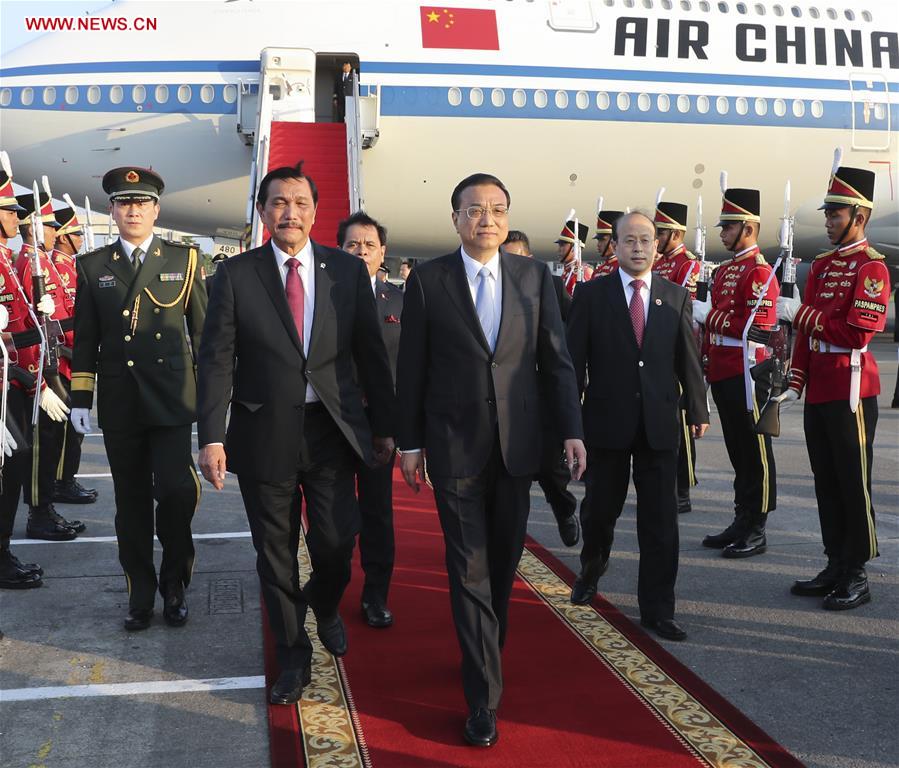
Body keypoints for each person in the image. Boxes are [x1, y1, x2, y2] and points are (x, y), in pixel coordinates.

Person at [397, 173, 586, 747]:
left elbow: (555, 363)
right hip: (454, 447)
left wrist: (571, 433)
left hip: (518, 447)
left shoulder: (534, 277)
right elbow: (412, 370)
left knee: (501, 569)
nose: (487, 219)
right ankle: (482, 700)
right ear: (455, 218)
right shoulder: (429, 280)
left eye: (497, 209)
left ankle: (485, 652)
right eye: (474, 209)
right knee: (468, 570)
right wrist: (409, 443)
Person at [196, 163, 395, 706]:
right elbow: (215, 360)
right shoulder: (236, 276)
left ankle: (325, 604)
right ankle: (292, 657)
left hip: (332, 431)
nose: (290, 212)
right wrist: (212, 435)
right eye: (279, 202)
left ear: (314, 211)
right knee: (275, 555)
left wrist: (386, 428)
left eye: (301, 202)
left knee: (336, 544)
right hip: (264, 432)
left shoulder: (346, 273)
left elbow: (371, 356)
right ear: (264, 213)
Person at [70, 166, 207, 631]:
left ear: (157, 210)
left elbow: (203, 335)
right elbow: (86, 338)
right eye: (124, 202)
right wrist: (80, 398)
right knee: (130, 504)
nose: (133, 210)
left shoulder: (185, 260)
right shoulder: (92, 266)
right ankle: (141, 593)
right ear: (112, 209)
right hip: (122, 401)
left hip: (171, 400)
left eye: (142, 202)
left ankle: (175, 581)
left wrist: (212, 401)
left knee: (175, 492)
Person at [566, 212, 708, 641]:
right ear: (615, 244)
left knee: (661, 522)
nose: (639, 247)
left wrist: (698, 411)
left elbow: (688, 358)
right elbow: (574, 364)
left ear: (657, 245)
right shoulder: (592, 296)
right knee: (599, 512)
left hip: (659, 426)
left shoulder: (674, 296)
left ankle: (658, 609)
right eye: (629, 240)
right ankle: (592, 567)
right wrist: (569, 421)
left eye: (646, 240)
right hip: (606, 424)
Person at [776, 166, 890, 610]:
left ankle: (857, 571)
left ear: (858, 215)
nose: (827, 220)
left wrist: (799, 313)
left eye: (835, 213)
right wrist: (796, 379)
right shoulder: (823, 265)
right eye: (828, 213)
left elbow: (858, 333)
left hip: (851, 391)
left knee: (851, 481)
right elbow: (808, 336)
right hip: (821, 388)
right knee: (825, 480)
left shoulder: (873, 268)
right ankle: (835, 562)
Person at [692, 186, 779, 558]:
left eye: (728, 226)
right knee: (737, 451)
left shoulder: (759, 272)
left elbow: (755, 327)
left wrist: (709, 317)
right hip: (726, 369)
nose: (722, 233)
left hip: (749, 372)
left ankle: (757, 525)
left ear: (747, 227)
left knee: (755, 450)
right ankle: (742, 517)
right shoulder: (728, 269)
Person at [337, 210, 402, 628]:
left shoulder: (400, 300)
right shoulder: (321, 295)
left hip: (381, 425)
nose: (361, 252)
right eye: (352, 245)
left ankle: (376, 594)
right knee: (335, 515)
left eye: (369, 246)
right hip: (334, 421)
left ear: (383, 253)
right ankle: (333, 588)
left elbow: (413, 366)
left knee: (378, 512)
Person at [501, 229, 579, 546]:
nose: (511, 263)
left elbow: (571, 333)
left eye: (517, 256)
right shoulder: (490, 289)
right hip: (506, 398)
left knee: (551, 470)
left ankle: (564, 511)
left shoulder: (551, 284)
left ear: (529, 258)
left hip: (543, 397)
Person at [15, 193, 85, 539]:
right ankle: (39, 512)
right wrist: (42, 377)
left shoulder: (41, 261)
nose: (55, 233)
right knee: (42, 444)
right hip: (42, 367)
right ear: (34, 227)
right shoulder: (30, 263)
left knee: (56, 437)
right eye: (50, 226)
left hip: (57, 361)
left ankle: (46, 507)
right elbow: (30, 326)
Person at [0, 164, 44, 588]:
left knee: (15, 465)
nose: (18, 219)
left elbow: (16, 325)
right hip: (3, 385)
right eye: (10, 210)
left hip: (13, 381)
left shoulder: (4, 259)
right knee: (13, 465)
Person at [652, 200, 702, 514]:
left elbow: (683, 312)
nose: (655, 238)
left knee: (683, 427)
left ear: (676, 232)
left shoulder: (688, 265)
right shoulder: (659, 264)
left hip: (677, 351)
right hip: (657, 353)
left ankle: (682, 488)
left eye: (661, 232)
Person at [49, 206, 98, 505]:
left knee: (74, 429)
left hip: (75, 356)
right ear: (64, 237)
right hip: (64, 359)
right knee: (67, 429)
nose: (81, 238)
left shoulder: (71, 267)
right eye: (77, 233)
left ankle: (67, 479)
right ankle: (61, 482)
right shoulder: (58, 268)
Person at [556, 218, 592, 296]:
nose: (558, 249)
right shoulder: (567, 271)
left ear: (574, 248)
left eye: (562, 245)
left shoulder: (583, 272)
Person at [590, 210, 625, 279]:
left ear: (614, 239)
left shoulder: (624, 268)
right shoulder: (598, 270)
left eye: (602, 240)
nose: (598, 245)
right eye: (598, 240)